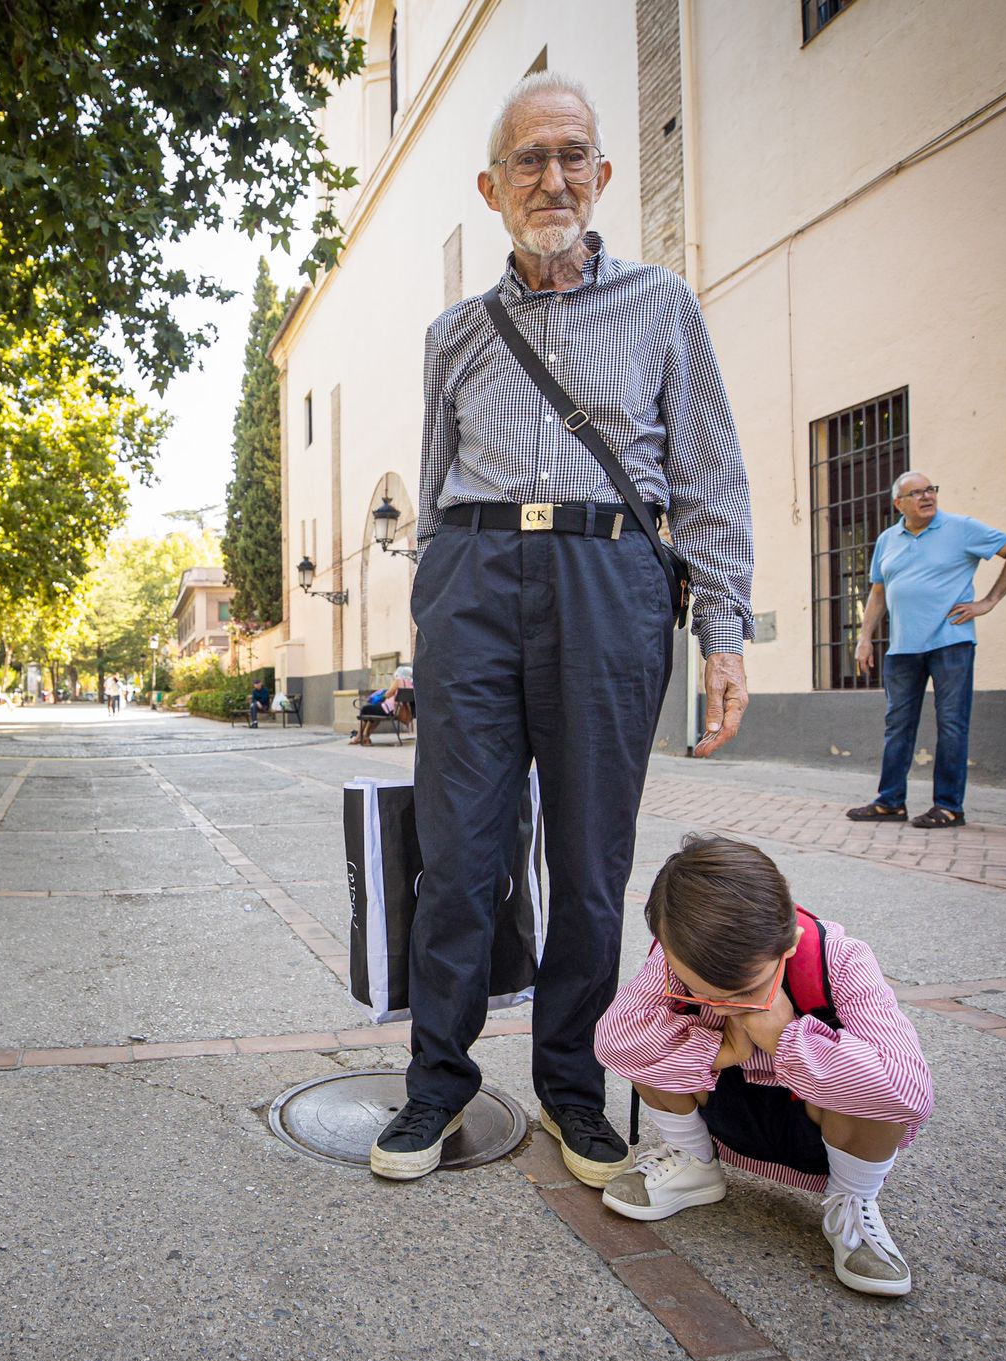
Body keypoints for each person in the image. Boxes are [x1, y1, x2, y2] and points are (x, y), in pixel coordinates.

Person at [370, 72, 755, 1186]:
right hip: (474, 576)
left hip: (608, 575)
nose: (551, 178)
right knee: (457, 855)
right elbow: (436, 497)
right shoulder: (453, 333)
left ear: (601, 174)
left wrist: (722, 628)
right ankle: (434, 1086)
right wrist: (420, 635)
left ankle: (571, 1089)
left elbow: (708, 481)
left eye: (570, 156)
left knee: (589, 860)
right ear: (491, 188)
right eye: (528, 161)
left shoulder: (661, 306)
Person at [594, 835, 932, 1298]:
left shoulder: (843, 959)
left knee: (878, 1089)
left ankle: (851, 1203)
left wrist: (788, 1040)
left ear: (789, 942)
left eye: (745, 990)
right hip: (724, 1111)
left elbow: (909, 1091)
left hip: (820, 1130)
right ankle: (694, 1164)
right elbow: (613, 1042)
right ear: (667, 950)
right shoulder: (671, 961)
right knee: (642, 1042)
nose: (726, 1007)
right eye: (704, 992)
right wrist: (719, 1051)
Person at [844, 472, 1006, 830]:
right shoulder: (887, 540)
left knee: (952, 725)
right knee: (897, 726)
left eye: (930, 489)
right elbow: (879, 593)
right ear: (898, 503)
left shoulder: (961, 528)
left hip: (951, 644)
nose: (926, 496)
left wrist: (989, 601)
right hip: (902, 649)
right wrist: (865, 637)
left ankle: (948, 807)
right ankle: (889, 802)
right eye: (916, 493)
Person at [348, 666, 414, 745]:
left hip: (388, 709)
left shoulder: (398, 681)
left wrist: (384, 693)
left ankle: (360, 737)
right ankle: (365, 736)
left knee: (365, 709)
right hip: (398, 711)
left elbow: (387, 694)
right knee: (373, 712)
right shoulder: (411, 684)